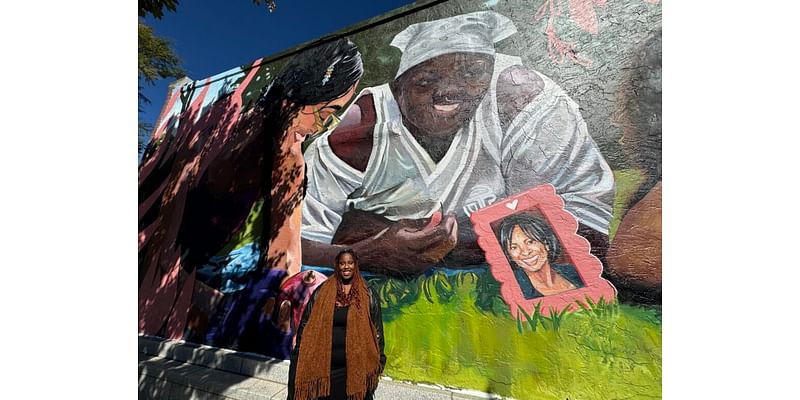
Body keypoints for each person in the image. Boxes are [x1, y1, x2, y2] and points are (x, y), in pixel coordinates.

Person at [300, 11, 615, 276]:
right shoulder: (358, 131)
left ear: (490, 70)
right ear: (398, 88)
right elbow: (294, 246)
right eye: (426, 80)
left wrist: (462, 244)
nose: (449, 91)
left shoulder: (520, 96)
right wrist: (369, 253)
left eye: (471, 73)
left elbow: (588, 226)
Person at [138, 38, 364, 349]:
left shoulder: (288, 161)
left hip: (222, 310)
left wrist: (296, 294)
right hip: (186, 311)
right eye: (327, 113)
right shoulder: (223, 133)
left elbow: (286, 252)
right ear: (303, 93)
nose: (322, 128)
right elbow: (167, 248)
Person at [288, 249, 386, 400]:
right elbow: (306, 324)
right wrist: (299, 352)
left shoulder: (368, 294)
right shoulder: (323, 292)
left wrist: (379, 359)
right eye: (342, 263)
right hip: (325, 368)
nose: (346, 267)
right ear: (337, 266)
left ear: (355, 265)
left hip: (354, 367)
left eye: (350, 263)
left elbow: (377, 330)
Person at [497, 214, 584, 299]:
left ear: (546, 244)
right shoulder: (514, 290)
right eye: (514, 247)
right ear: (509, 255)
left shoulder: (573, 271)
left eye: (530, 242)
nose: (526, 252)